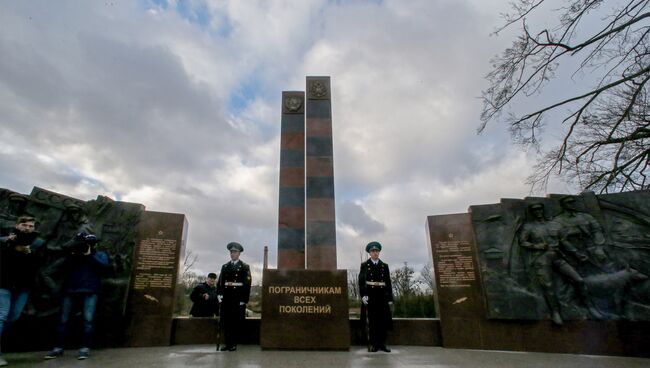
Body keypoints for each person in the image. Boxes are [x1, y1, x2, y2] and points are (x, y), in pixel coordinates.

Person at [518, 203, 587, 325]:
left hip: (557, 257)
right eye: (535, 210)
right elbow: (523, 242)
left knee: (579, 280)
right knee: (548, 286)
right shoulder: (529, 226)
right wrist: (536, 246)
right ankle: (555, 312)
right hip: (541, 259)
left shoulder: (553, 224)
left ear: (543, 210)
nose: (538, 212)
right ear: (532, 212)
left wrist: (577, 254)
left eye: (540, 209)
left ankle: (582, 305)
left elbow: (563, 241)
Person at [44, 232, 109, 361]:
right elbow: (63, 268)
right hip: (70, 290)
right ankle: (58, 347)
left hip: (90, 291)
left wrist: (89, 255)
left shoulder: (100, 254)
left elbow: (104, 268)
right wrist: (74, 254)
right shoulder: (72, 255)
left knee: (88, 320)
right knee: (63, 320)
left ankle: (85, 348)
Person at [0, 216, 43, 367]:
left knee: (13, 317)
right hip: (3, 283)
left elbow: (39, 263)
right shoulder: (6, 240)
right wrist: (11, 245)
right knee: (2, 315)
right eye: (24, 225)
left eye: (31, 226)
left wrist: (29, 253)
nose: (27, 228)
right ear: (17, 225)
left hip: (23, 287)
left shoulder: (38, 243)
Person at [358, 241, 393, 353]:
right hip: (370, 295)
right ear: (369, 253)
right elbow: (361, 281)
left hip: (382, 296)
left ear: (379, 252)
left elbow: (388, 281)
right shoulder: (364, 265)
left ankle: (382, 344)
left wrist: (390, 298)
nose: (375, 253)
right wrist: (363, 295)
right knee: (372, 321)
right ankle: (374, 344)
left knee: (383, 320)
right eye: (373, 251)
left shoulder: (384, 266)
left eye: (377, 251)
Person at [216, 242, 251, 351]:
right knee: (226, 320)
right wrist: (219, 294)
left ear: (239, 253)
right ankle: (226, 343)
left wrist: (244, 299)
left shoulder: (245, 267)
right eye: (231, 252)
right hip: (226, 297)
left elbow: (247, 283)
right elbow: (220, 281)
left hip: (237, 297)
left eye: (235, 252)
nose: (232, 254)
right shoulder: (225, 266)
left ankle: (233, 343)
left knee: (235, 322)